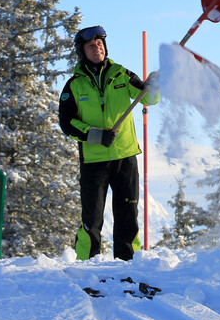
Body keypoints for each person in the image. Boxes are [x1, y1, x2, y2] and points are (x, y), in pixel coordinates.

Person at [59, 25, 160, 261]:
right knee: (92, 219)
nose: (97, 48)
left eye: (100, 44)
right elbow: (66, 123)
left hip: (125, 157)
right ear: (82, 51)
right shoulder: (74, 85)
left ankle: (129, 264)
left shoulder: (121, 74)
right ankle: (85, 264)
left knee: (127, 215)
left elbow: (148, 99)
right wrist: (95, 135)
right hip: (94, 161)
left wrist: (154, 85)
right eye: (91, 46)